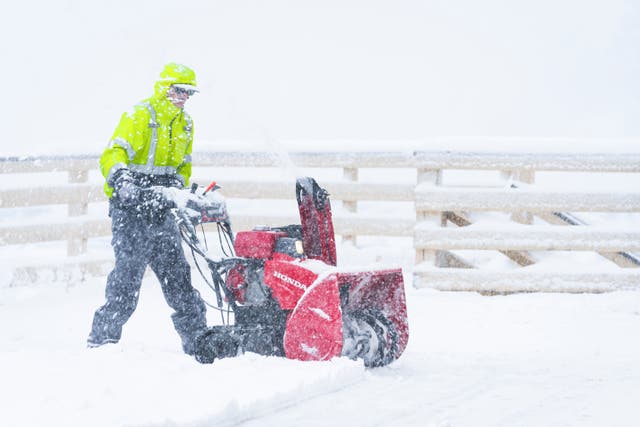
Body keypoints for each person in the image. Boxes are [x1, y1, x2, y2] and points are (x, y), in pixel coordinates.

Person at [87, 62, 207, 355]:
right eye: (178, 91)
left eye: (188, 93)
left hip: (161, 208)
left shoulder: (186, 124)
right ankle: (101, 341)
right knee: (127, 279)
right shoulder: (141, 115)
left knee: (177, 277)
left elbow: (183, 166)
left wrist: (177, 189)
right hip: (130, 209)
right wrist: (123, 180)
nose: (183, 98)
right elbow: (112, 154)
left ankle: (200, 342)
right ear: (164, 88)